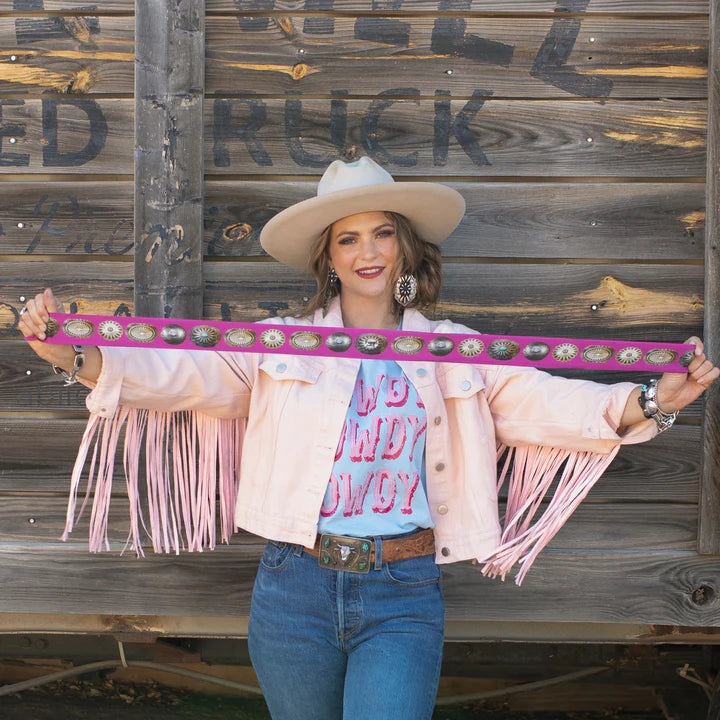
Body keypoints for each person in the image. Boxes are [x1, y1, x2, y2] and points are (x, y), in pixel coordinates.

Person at [18, 157, 719, 720]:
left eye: (381, 233)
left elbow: (549, 402)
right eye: (348, 238)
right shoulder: (279, 348)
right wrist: (72, 355)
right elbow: (176, 373)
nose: (368, 252)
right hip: (293, 587)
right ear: (328, 257)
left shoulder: (454, 352)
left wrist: (656, 399)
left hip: (403, 588)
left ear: (405, 247)